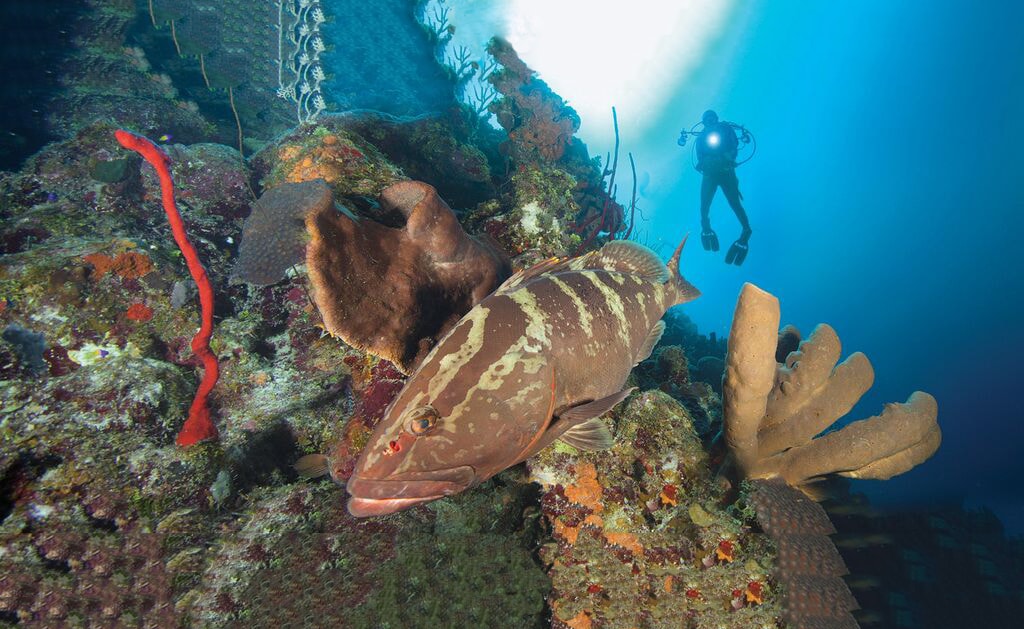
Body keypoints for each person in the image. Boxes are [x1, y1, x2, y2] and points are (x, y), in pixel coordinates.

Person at [680, 110, 752, 265]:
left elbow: (734, 145)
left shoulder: (725, 129)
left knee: (735, 203)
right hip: (710, 175)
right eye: (707, 119)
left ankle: (746, 232)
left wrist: (728, 157)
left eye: (712, 118)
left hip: (726, 172)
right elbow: (699, 158)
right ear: (704, 123)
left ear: (717, 119)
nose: (710, 121)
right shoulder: (701, 138)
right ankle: (706, 228)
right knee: (704, 206)